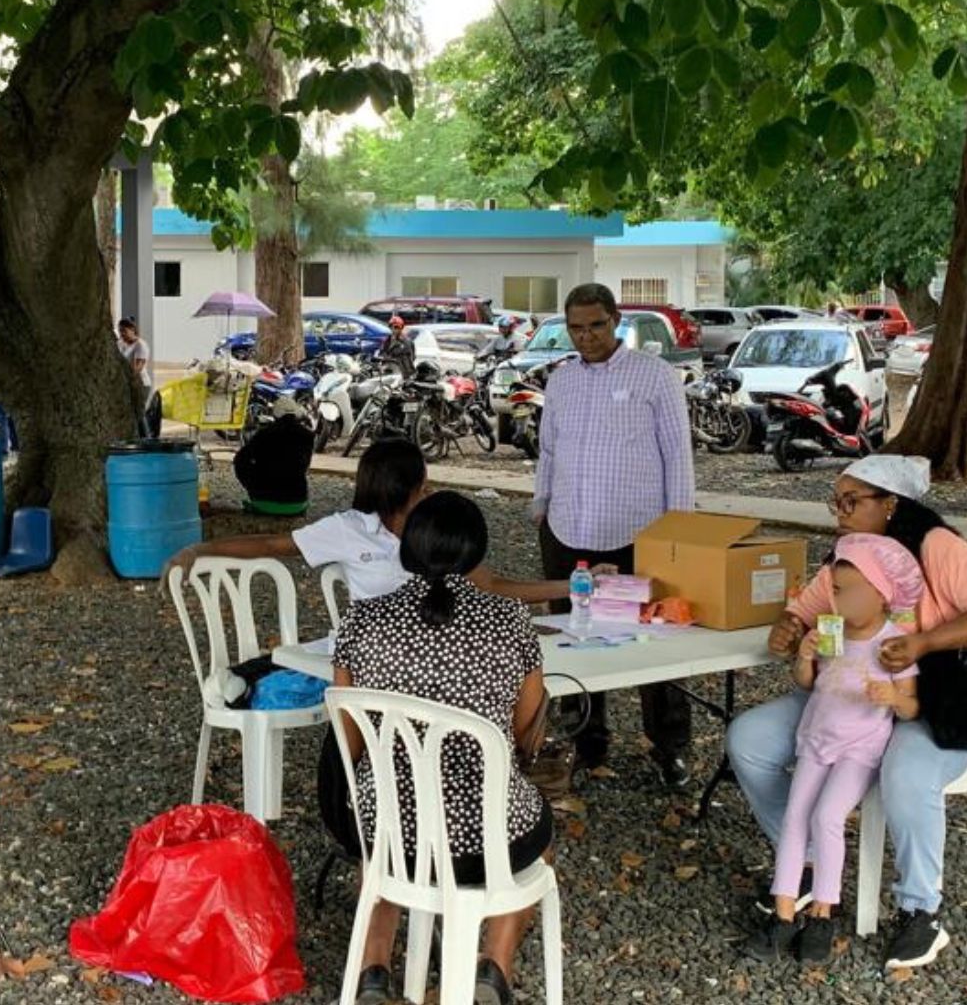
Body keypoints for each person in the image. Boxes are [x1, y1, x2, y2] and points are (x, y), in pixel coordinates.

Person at [725, 455, 967, 970]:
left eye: (851, 501)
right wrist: (791, 628)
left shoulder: (936, 547)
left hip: (928, 702)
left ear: (891, 506)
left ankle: (920, 909)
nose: (838, 511)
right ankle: (811, 866)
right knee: (748, 738)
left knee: (907, 774)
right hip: (847, 698)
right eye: (834, 500)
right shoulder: (848, 555)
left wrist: (924, 643)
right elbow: (807, 607)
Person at [324, 492, 553, 1005]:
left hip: (393, 837)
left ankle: (374, 972)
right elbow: (524, 736)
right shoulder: (510, 620)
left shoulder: (363, 621)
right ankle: (492, 970)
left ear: (409, 548)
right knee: (539, 841)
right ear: (476, 550)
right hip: (487, 841)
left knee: (380, 833)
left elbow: (348, 739)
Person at [532, 282, 696, 787]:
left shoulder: (655, 375)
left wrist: (680, 528)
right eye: (576, 329)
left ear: (616, 320)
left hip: (639, 534)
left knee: (654, 642)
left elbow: (678, 454)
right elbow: (549, 450)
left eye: (596, 326)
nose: (586, 337)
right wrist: (541, 503)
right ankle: (587, 741)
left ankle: (669, 746)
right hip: (567, 529)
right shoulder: (560, 382)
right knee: (572, 639)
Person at [744, 534, 923, 963]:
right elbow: (809, 684)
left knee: (826, 816)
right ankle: (784, 912)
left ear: (880, 595)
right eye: (834, 590)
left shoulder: (894, 642)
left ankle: (824, 911)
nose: (834, 598)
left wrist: (893, 699)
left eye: (844, 591)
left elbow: (912, 706)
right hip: (817, 737)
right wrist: (804, 658)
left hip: (859, 748)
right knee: (795, 818)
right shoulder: (830, 629)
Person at [163, 438, 596, 606]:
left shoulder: (434, 524)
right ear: (409, 484)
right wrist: (198, 549)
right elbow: (275, 545)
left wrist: (576, 585)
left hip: (439, 639)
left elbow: (493, 585)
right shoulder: (350, 528)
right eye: (423, 476)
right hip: (378, 648)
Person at [234, 396, 315, 516]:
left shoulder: (264, 434)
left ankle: (257, 496)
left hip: (263, 501)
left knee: (242, 462)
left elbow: (240, 459)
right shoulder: (308, 435)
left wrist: (252, 482)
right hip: (297, 503)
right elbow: (304, 466)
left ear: (276, 414)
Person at [116, 318, 158, 436]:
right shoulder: (120, 343)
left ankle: (146, 439)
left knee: (139, 413)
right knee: (130, 414)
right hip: (127, 384)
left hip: (141, 384)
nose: (122, 334)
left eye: (124, 331)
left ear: (132, 329)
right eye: (120, 331)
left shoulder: (141, 345)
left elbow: (137, 368)